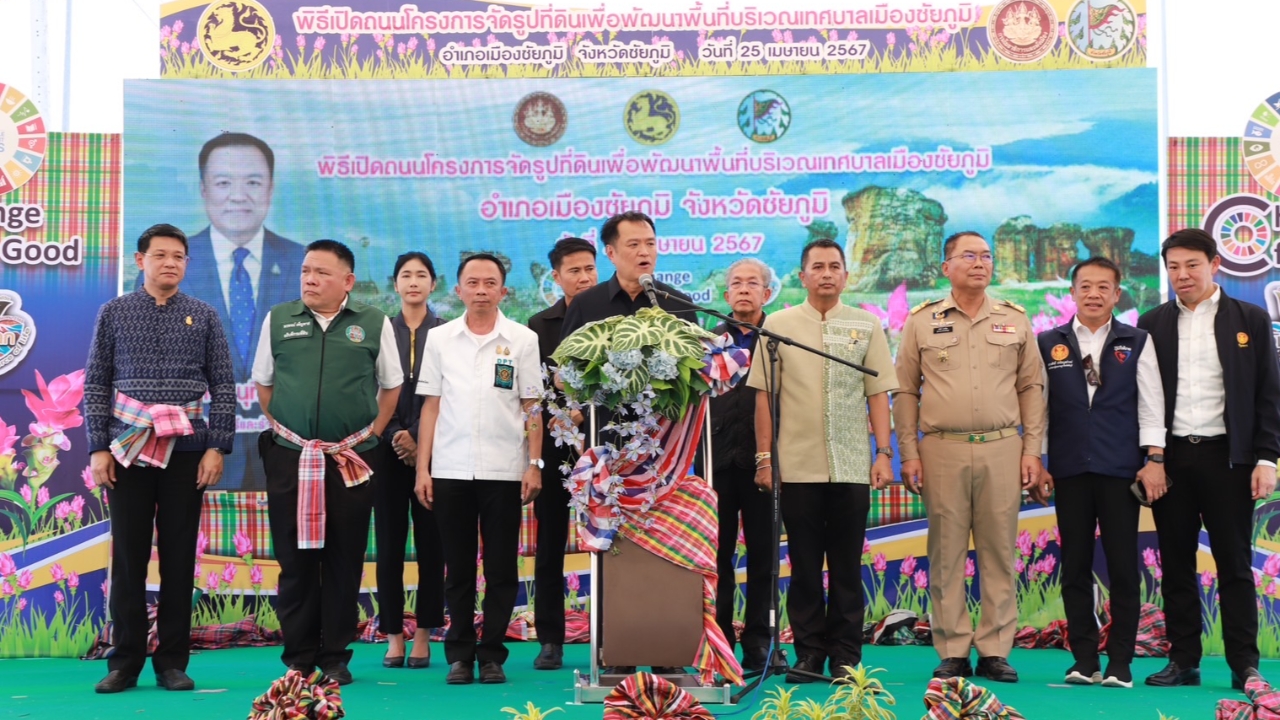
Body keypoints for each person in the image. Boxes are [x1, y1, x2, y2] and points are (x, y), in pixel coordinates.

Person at [84, 223, 235, 693]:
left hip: (187, 452)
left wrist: (217, 446)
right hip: (126, 451)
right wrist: (96, 447)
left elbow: (225, 386)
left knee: (178, 558)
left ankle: (172, 661)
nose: (170, 263)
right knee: (128, 558)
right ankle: (123, 662)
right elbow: (95, 383)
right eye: (161, 255)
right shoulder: (114, 313)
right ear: (140, 260)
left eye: (179, 257)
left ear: (187, 264)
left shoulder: (204, 315)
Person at [893, 231, 1046, 683]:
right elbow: (904, 390)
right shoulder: (922, 321)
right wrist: (908, 452)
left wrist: (1032, 450)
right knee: (946, 553)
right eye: (968, 256)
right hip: (941, 449)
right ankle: (953, 648)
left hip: (1003, 446)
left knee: (999, 551)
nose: (980, 263)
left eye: (986, 256)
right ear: (946, 267)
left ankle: (996, 650)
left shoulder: (1015, 319)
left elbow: (1031, 388)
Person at [747, 239, 898, 683]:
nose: (827, 273)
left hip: (851, 464)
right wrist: (764, 459)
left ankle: (847, 656)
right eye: (818, 266)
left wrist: (883, 454)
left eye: (835, 266)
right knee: (806, 565)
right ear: (802, 276)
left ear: (846, 276)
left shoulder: (866, 325)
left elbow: (877, 394)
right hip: (796, 466)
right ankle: (809, 654)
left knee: (848, 566)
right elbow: (764, 399)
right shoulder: (778, 325)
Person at [252, 239, 402, 685]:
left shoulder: (373, 323)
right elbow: (264, 384)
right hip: (291, 459)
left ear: (347, 282)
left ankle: (336, 656)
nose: (309, 280)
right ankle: (298, 658)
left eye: (320, 272)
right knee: (295, 562)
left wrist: (370, 436)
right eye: (305, 271)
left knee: (343, 559)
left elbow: (390, 387)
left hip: (350, 461)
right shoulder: (279, 320)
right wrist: (289, 432)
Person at [1137, 228, 1280, 690]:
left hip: (1229, 459)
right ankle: (1184, 661)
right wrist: (1151, 459)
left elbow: (1269, 394)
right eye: (1173, 266)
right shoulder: (1151, 323)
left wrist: (1267, 458)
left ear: (1215, 264)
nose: (1182, 275)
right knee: (1175, 562)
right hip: (1172, 461)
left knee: (1234, 563)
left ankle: (1244, 665)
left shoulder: (1250, 319)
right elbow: (1144, 399)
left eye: (1192, 265)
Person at [558, 211, 695, 676]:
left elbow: (695, 376)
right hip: (609, 454)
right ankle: (614, 650)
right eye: (633, 244)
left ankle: (670, 650)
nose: (644, 252)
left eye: (651, 243)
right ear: (612, 253)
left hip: (666, 455)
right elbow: (567, 374)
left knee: (663, 550)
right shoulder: (588, 303)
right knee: (617, 553)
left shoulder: (677, 303)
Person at [136, 132, 306, 491]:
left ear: (271, 188)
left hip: (282, 443)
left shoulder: (302, 264)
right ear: (203, 189)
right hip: (194, 446)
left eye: (253, 182)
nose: (238, 195)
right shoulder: (170, 269)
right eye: (224, 182)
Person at [1035, 257, 1165, 689]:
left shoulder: (1137, 340)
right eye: (1085, 286)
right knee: (1074, 566)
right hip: (1069, 469)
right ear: (1072, 293)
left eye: (1103, 287)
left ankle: (1121, 663)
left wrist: (1154, 458)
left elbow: (1151, 404)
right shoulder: (1047, 342)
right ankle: (1084, 660)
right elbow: (1039, 409)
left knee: (1124, 568)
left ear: (1116, 294)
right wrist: (1037, 457)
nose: (1093, 294)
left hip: (1119, 469)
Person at [415, 253, 544, 686]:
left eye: (491, 283)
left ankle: (492, 654)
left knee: (502, 569)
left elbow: (532, 407)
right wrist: (423, 469)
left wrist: (534, 464)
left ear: (503, 291)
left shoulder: (522, 339)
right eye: (473, 283)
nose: (482, 290)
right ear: (459, 290)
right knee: (459, 567)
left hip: (506, 470)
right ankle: (459, 654)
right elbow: (430, 407)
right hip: (450, 469)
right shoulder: (440, 339)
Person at [526, 237, 598, 671]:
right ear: (556, 277)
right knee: (550, 541)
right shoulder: (538, 325)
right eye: (574, 270)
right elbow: (531, 392)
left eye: (590, 268)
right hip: (555, 449)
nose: (584, 277)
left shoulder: (613, 317)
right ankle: (550, 639)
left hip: (606, 447)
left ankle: (612, 632)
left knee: (611, 540)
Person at [375, 251, 447, 670]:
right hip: (386, 452)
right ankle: (393, 636)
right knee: (388, 546)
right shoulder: (381, 329)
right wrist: (394, 434)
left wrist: (420, 438)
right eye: (406, 275)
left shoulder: (447, 331)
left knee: (430, 547)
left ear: (433, 284)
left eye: (422, 275)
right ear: (396, 283)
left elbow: (447, 392)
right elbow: (373, 388)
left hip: (435, 453)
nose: (414, 282)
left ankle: (423, 634)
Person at [710, 258, 779, 673]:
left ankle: (760, 644)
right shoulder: (707, 341)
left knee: (763, 559)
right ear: (725, 295)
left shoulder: (779, 340)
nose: (744, 290)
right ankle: (718, 644)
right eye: (736, 283)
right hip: (716, 466)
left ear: (767, 293)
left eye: (753, 283)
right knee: (716, 559)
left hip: (764, 466)